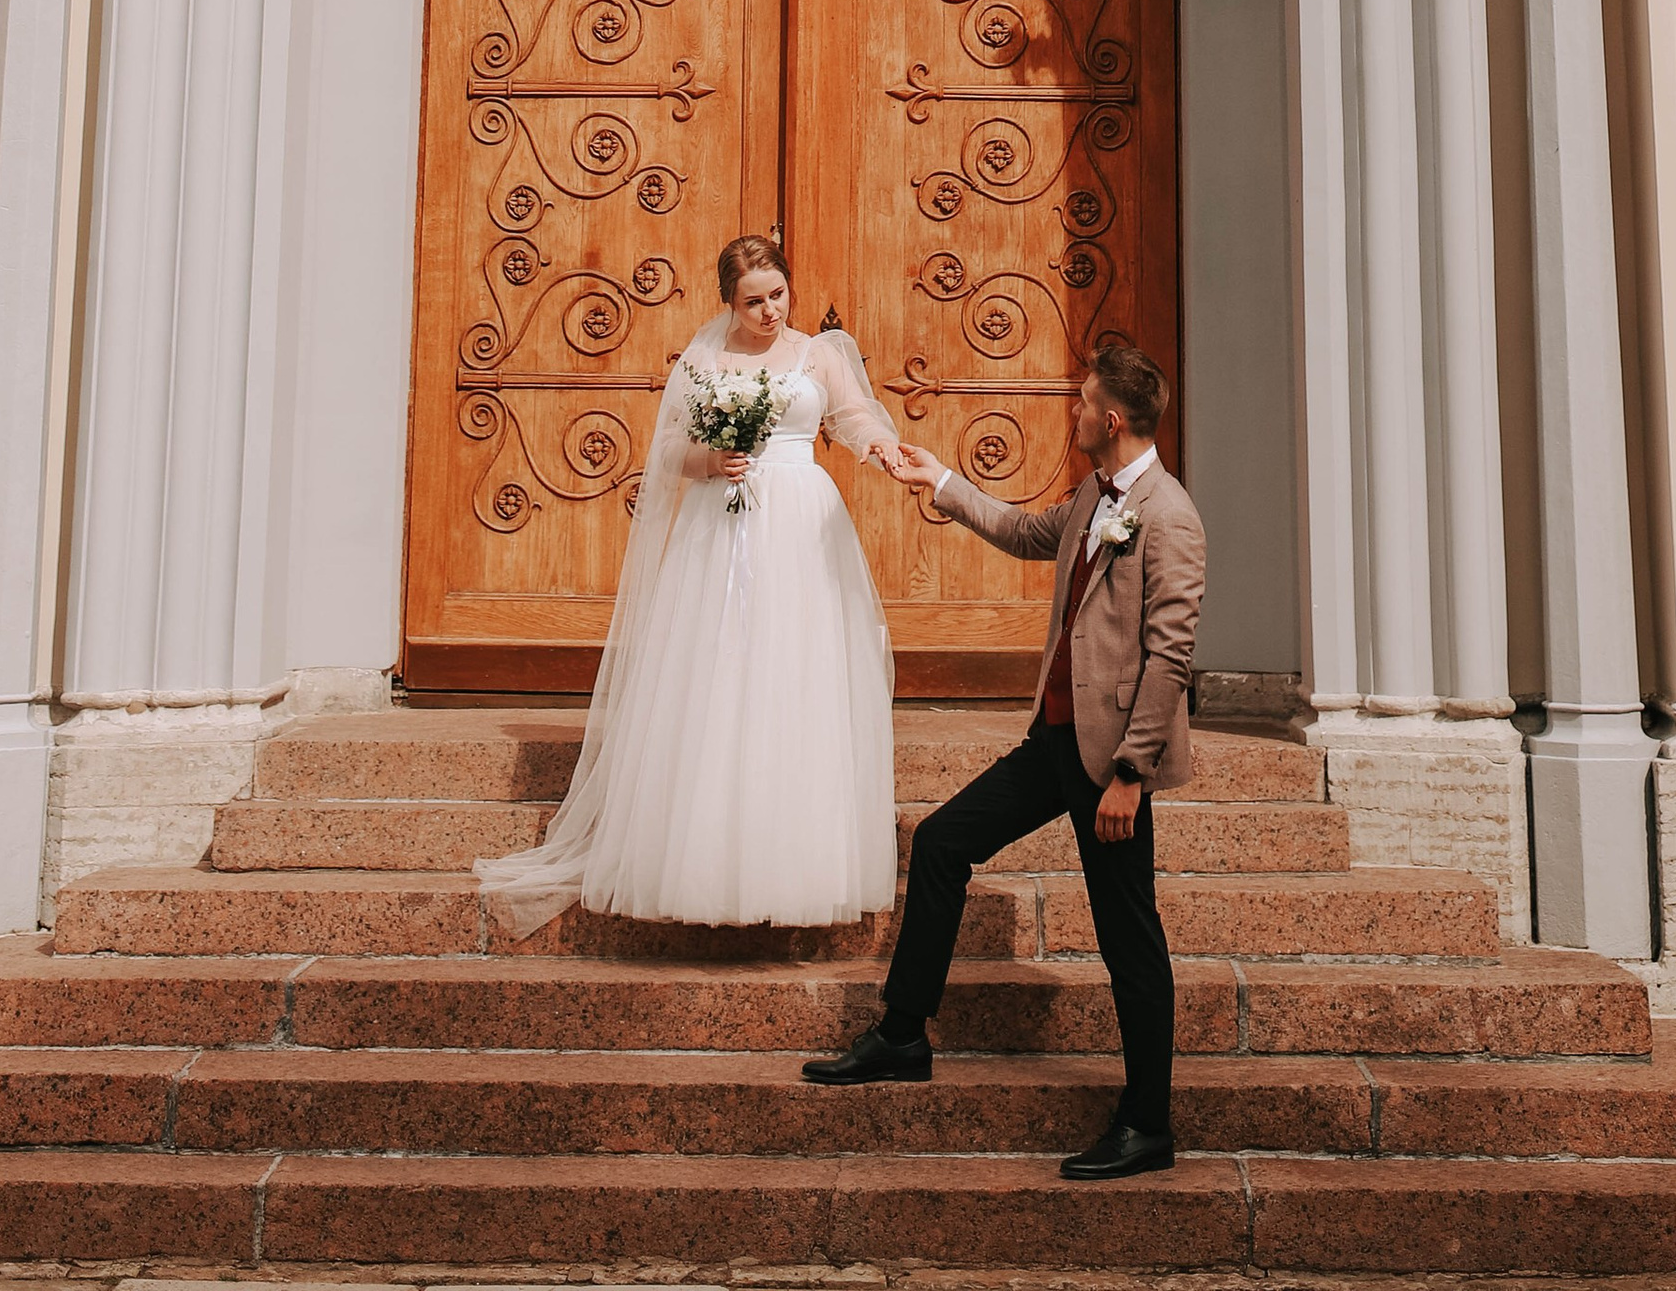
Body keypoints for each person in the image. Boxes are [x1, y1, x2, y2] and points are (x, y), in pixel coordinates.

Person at [803, 333, 1204, 1185]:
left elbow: (1170, 657)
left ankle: (1148, 1122)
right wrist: (937, 481)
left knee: (1129, 940)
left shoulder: (1168, 515)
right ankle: (904, 1033)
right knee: (944, 843)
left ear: (1113, 416)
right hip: (1053, 740)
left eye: (1081, 398)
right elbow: (1026, 531)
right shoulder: (1095, 497)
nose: (1072, 410)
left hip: (1109, 767)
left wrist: (1131, 775)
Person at [478, 234, 912, 936]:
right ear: (727, 302)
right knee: (720, 673)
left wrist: (879, 447)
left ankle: (799, 860)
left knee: (797, 675)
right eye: (753, 301)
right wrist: (713, 461)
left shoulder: (822, 353)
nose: (769, 311)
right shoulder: (704, 361)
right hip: (725, 529)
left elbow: (851, 414)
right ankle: (706, 860)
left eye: (778, 295)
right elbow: (668, 452)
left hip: (803, 523)